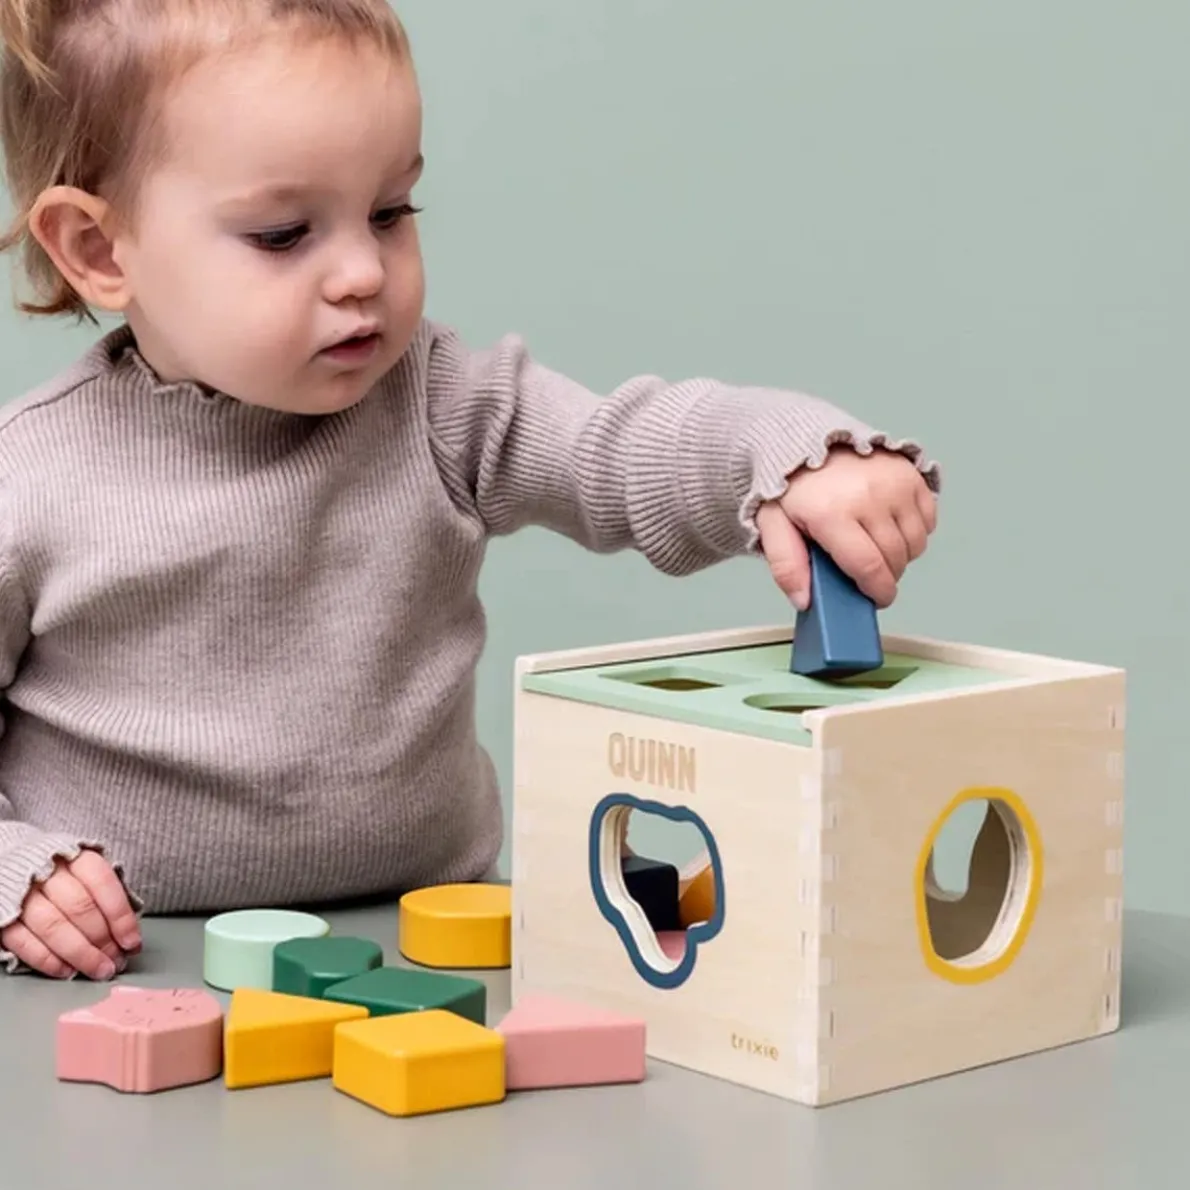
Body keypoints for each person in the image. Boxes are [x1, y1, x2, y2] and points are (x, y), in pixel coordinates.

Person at [0, 0, 939, 981]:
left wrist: (787, 453)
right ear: (100, 251)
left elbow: (615, 449)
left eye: (390, 211)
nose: (362, 271)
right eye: (284, 233)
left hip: (439, 944)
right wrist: (14, 875)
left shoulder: (440, 402)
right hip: (133, 972)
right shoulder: (27, 481)